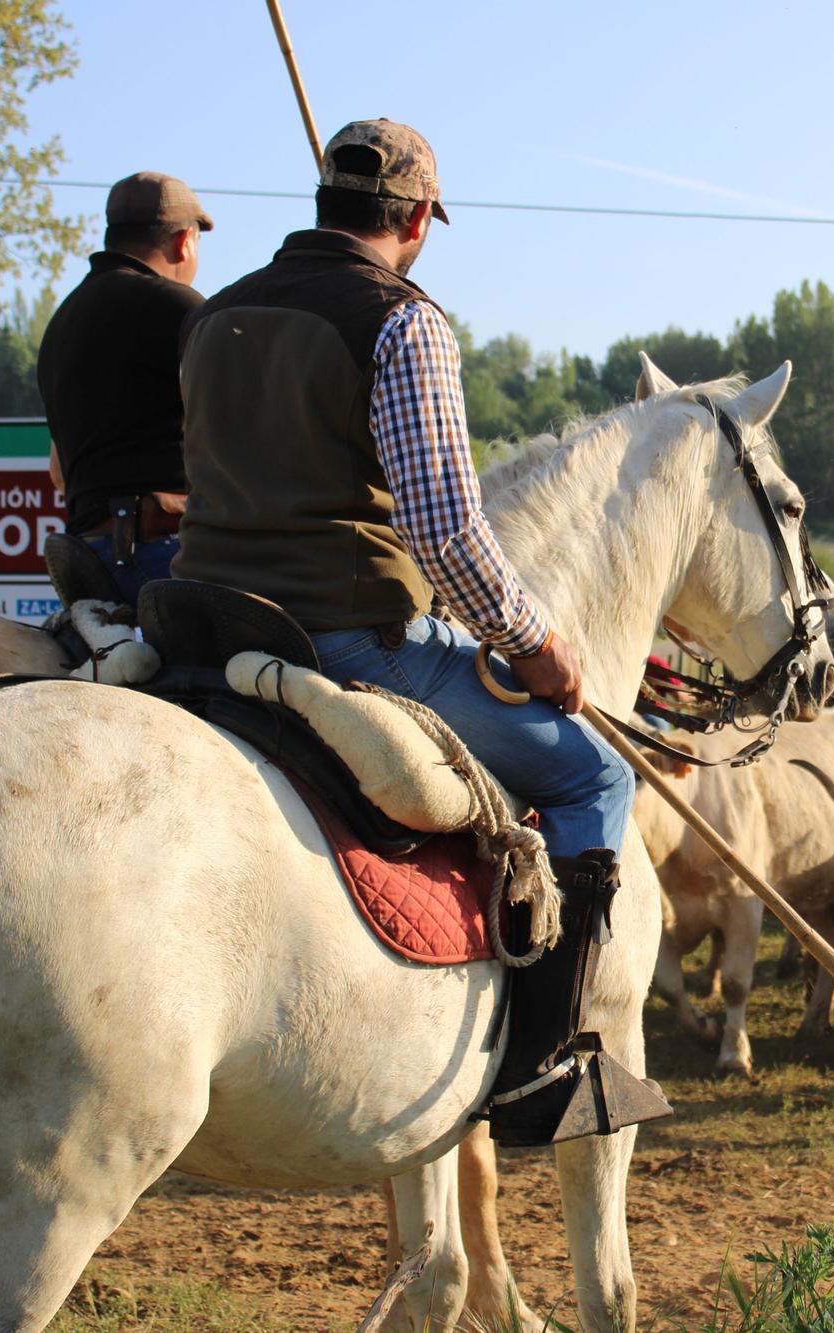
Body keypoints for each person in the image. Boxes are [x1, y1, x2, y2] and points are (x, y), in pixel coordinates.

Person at [171, 119, 662, 1146]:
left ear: (322, 206)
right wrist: (538, 646)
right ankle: (542, 1069)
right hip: (346, 638)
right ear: (417, 224)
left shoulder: (213, 316)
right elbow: (445, 530)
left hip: (202, 625)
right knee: (593, 779)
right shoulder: (402, 322)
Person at [36, 171, 211, 604]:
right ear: (184, 241)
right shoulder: (180, 308)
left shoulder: (63, 320)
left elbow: (58, 473)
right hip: (163, 556)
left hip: (87, 561)